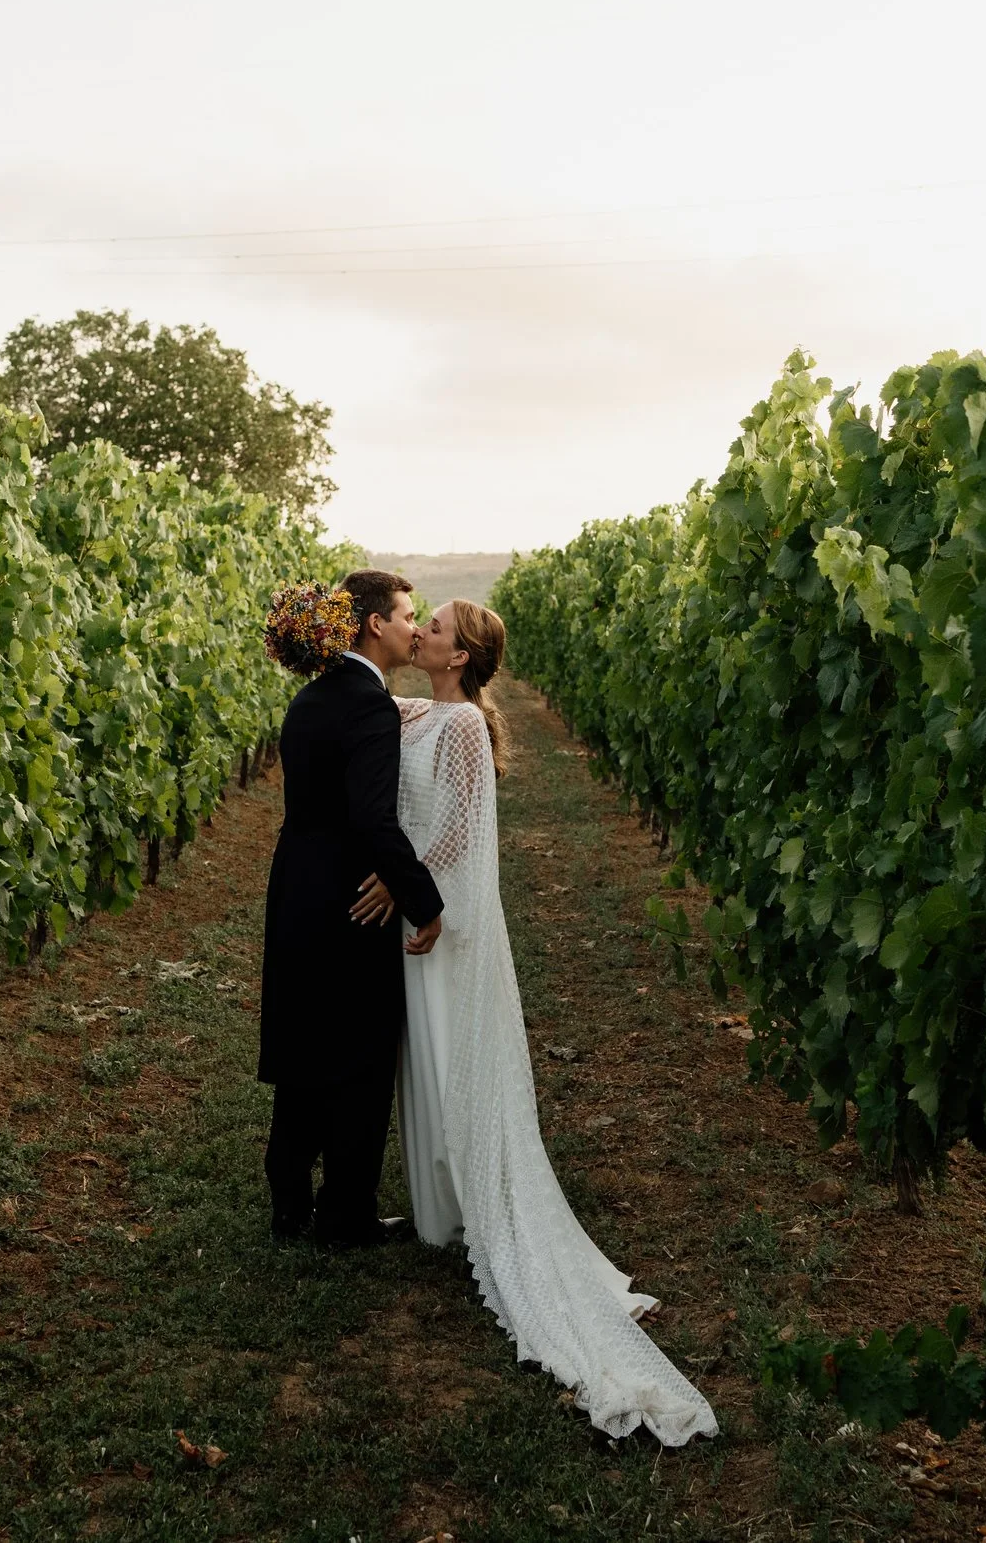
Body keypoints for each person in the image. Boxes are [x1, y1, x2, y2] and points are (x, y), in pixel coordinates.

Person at [352, 598, 718, 1446]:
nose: (424, 632)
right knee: (426, 1057)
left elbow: (462, 837)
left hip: (440, 917)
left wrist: (405, 886)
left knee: (452, 1055)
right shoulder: (416, 710)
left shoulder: (468, 729)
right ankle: (439, 1206)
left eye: (437, 626)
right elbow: (367, 702)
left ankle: (474, 1206)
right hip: (418, 909)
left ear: (461, 655)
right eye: (424, 621)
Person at [258, 569, 445, 1248]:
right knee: (361, 1053)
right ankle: (346, 1216)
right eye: (406, 614)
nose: (414, 626)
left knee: (305, 1040)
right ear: (374, 624)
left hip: (297, 886)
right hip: (353, 895)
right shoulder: (367, 705)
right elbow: (371, 816)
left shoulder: (312, 697)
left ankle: (289, 1203)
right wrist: (422, 899)